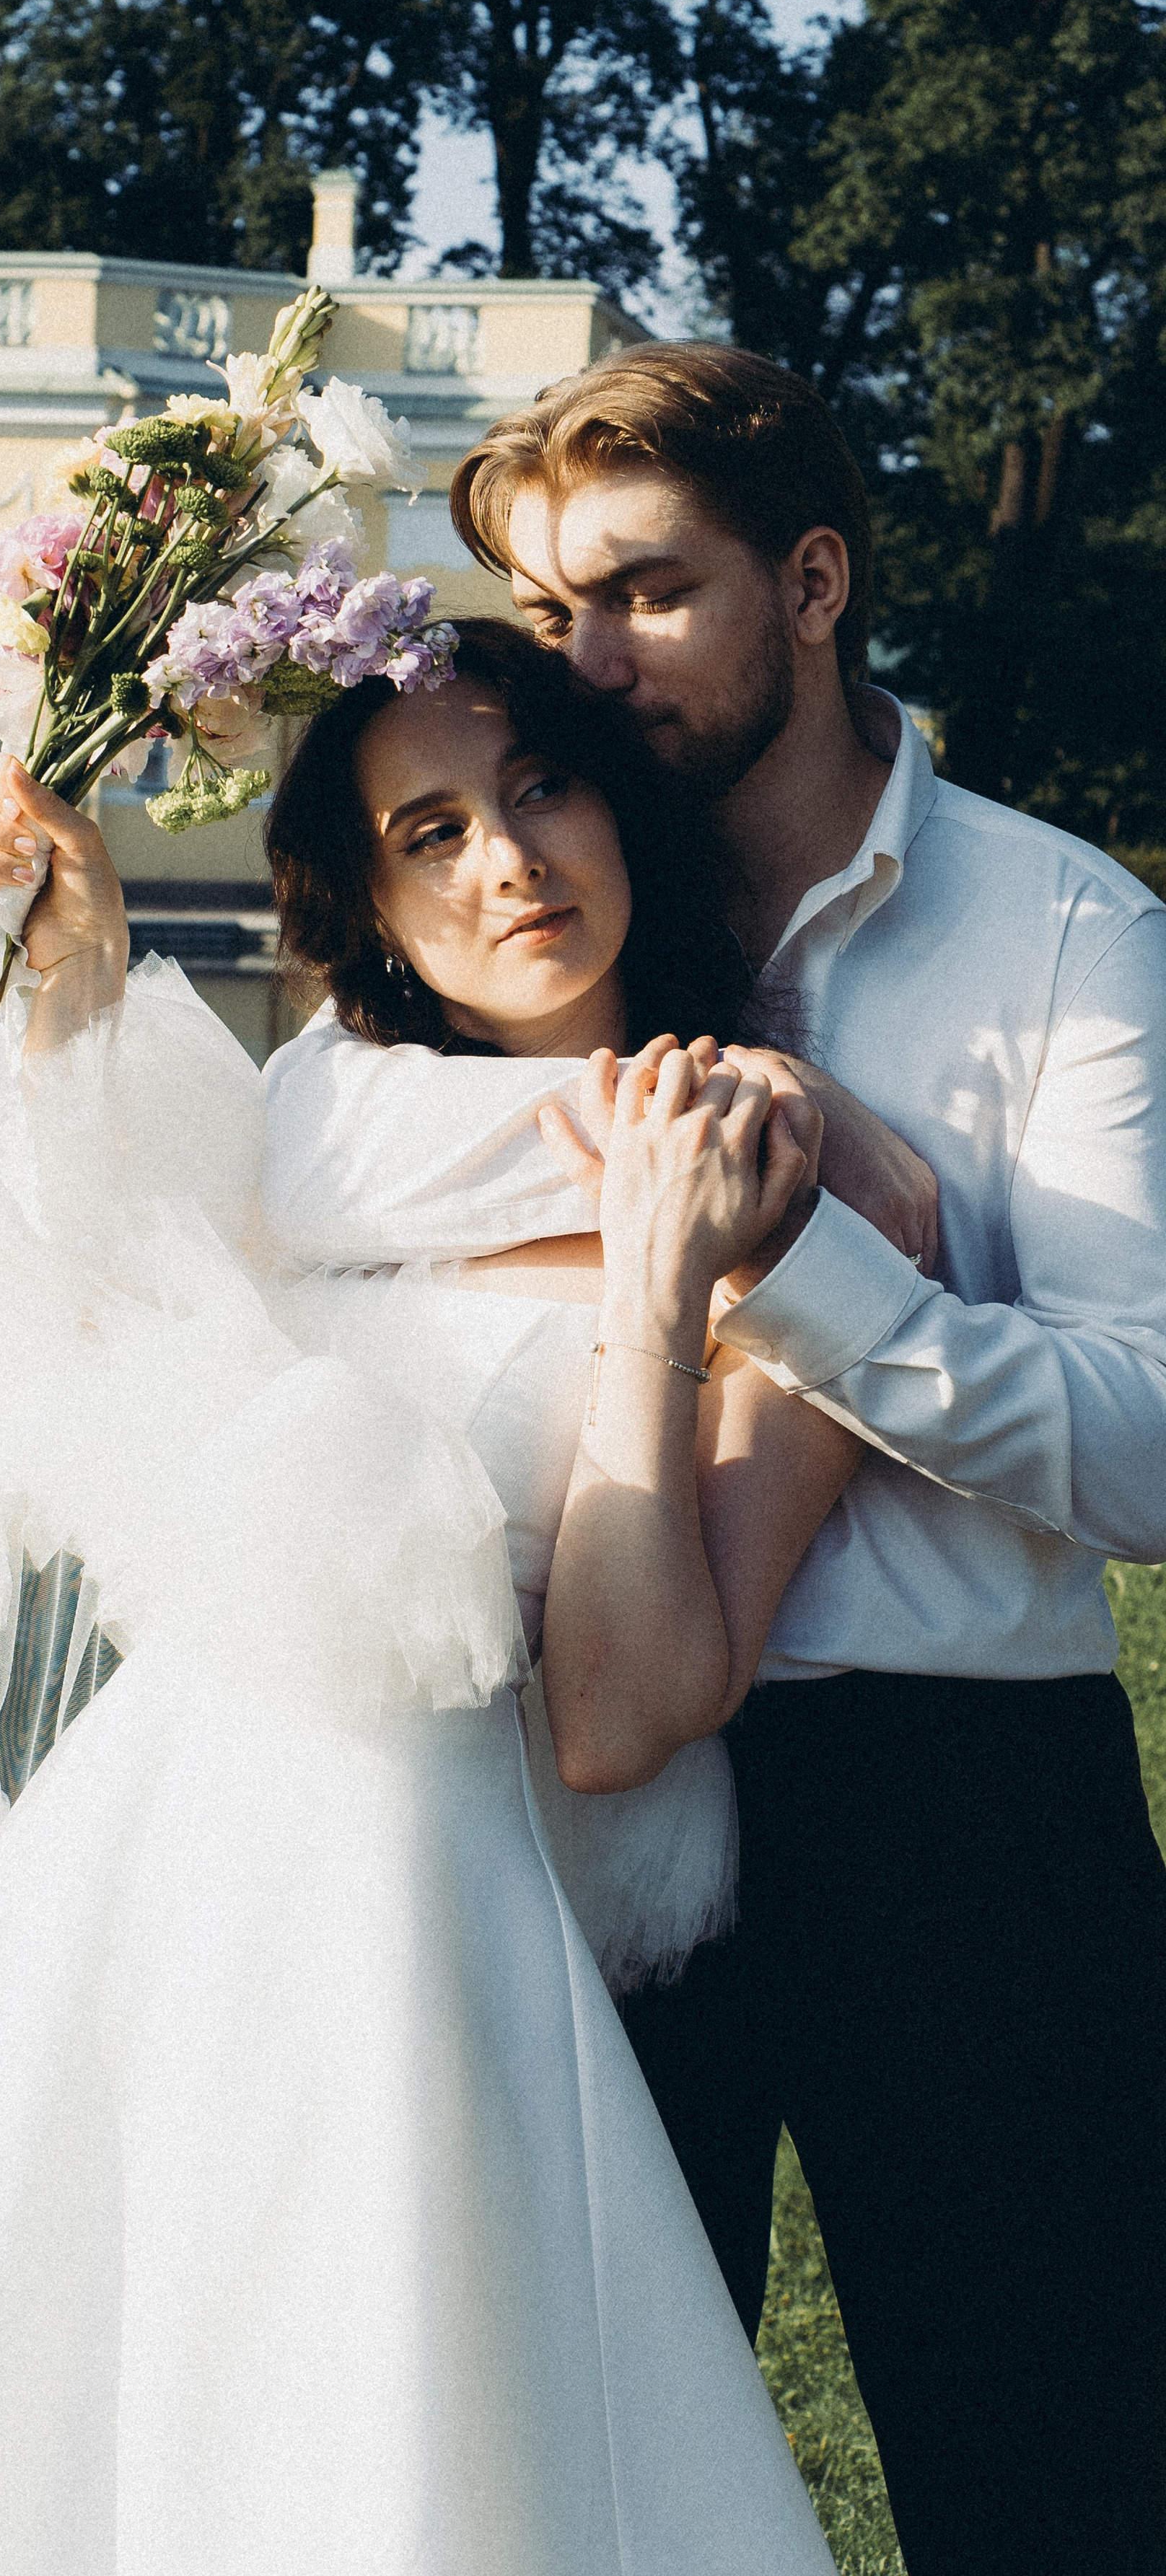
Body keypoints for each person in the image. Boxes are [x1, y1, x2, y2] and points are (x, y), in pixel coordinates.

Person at [0, 623, 852, 2574]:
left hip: (420, 1914)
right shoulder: (317, 1138)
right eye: (430, 833)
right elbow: (105, 1383)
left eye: (542, 785)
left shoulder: (772, 1175)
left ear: (624, 804)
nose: (507, 861)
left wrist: (656, 1287)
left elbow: (626, 1712)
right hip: (147, 1866)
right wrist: (81, 990)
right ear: (374, 910)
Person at [295, 343, 1166, 2576]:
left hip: (960, 1813)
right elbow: (309, 1185)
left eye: (645, 594)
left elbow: (1154, 1453)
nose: (585, 664)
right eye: (549, 607)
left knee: (1055, 2493)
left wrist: (816, 1279)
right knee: (573, 2491)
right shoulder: (539, 900)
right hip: (573, 1816)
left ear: (814, 583)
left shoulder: (1067, 931)